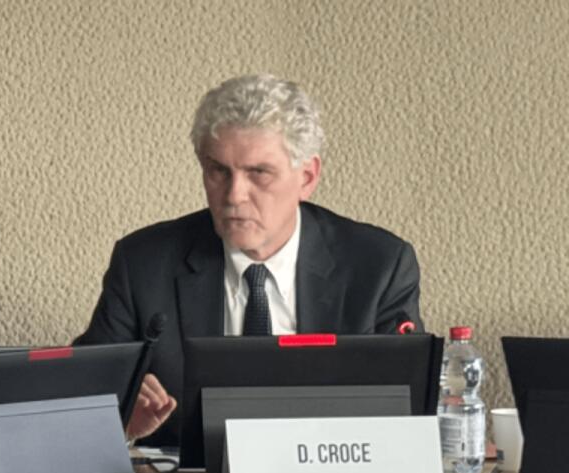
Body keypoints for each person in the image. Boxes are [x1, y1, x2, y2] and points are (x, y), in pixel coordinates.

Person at [75, 74, 424, 446]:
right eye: (219, 171)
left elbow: (406, 419)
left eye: (259, 173)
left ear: (307, 177)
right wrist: (122, 426)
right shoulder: (143, 264)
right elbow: (79, 408)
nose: (234, 195)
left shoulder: (378, 266)